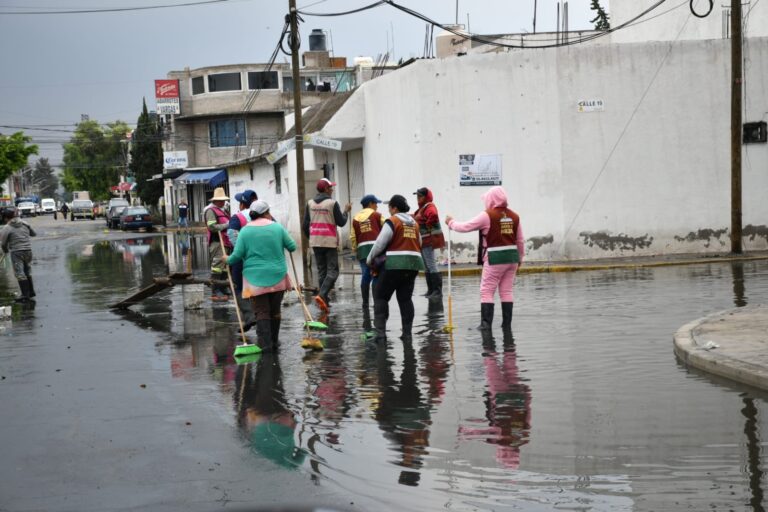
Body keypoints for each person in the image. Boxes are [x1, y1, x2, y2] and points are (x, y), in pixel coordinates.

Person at [445, 186, 524, 331]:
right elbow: (520, 241)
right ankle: (506, 324)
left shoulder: (487, 215)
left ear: (491, 199)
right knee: (506, 291)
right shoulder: (514, 216)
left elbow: (465, 227)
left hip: (495, 257)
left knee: (486, 290)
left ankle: (486, 324)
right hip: (512, 258)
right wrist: (520, 259)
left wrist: (451, 223)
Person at [224, 200, 297, 352]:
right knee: (275, 310)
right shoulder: (277, 227)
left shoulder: (245, 231)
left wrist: (227, 260)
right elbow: (292, 246)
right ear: (265, 213)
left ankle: (265, 345)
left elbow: (237, 256)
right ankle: (274, 342)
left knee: (262, 311)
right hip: (278, 276)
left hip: (255, 279)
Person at [365, 194, 424, 343]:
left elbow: (380, 244)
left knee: (380, 296)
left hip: (393, 265)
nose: (389, 210)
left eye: (389, 207)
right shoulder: (415, 224)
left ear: (395, 208)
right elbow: (420, 243)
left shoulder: (392, 221)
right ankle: (407, 334)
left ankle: (380, 335)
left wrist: (370, 259)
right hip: (413, 265)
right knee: (405, 299)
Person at [302, 177, 351, 312]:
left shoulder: (310, 203)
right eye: (330, 187)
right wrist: (346, 211)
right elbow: (341, 222)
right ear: (325, 189)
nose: (332, 189)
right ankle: (322, 294)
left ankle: (324, 301)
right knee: (334, 271)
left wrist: (312, 237)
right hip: (329, 242)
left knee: (322, 271)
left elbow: (305, 225)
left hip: (316, 242)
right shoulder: (332, 203)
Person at [227, 189, 258, 330]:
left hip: (241, 258)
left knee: (239, 286)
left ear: (242, 204)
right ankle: (261, 316)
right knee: (258, 286)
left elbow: (232, 235)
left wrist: (242, 251)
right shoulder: (265, 216)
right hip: (259, 257)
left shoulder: (237, 218)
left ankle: (249, 316)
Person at [350, 194, 384, 308]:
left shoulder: (355, 218)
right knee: (376, 274)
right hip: (376, 249)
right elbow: (387, 228)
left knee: (365, 274)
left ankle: (365, 302)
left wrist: (355, 249)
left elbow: (353, 237)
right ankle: (376, 302)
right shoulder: (377, 215)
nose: (377, 206)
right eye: (376, 204)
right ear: (370, 204)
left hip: (363, 250)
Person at [413, 187, 446, 300]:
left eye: (420, 196)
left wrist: (426, 225)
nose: (418, 198)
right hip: (423, 241)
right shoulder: (422, 208)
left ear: (426, 197)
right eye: (417, 196)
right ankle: (431, 290)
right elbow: (416, 217)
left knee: (431, 265)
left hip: (429, 240)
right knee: (426, 266)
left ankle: (437, 291)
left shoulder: (429, 206)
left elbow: (433, 215)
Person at [1, 208, 37, 302]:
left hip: (17, 252)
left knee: (20, 273)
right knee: (27, 271)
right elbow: (33, 234)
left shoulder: (7, 228)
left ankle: (25, 295)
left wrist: (5, 250)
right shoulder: (25, 223)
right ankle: (31, 292)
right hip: (28, 251)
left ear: (6, 218)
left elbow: (3, 243)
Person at [205, 187, 232, 302]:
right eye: (220, 200)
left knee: (225, 267)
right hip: (217, 242)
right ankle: (215, 289)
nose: (223, 202)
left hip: (226, 241)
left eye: (223, 200)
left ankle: (223, 286)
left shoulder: (224, 211)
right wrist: (226, 225)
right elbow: (211, 227)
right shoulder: (210, 211)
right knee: (217, 267)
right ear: (215, 201)